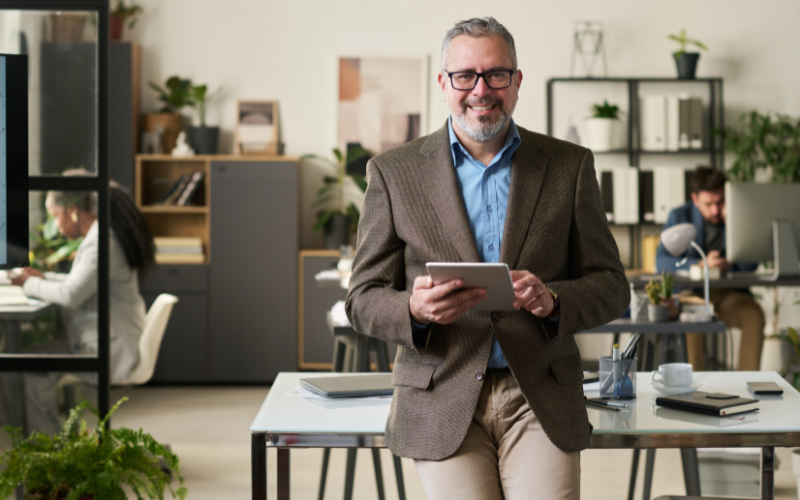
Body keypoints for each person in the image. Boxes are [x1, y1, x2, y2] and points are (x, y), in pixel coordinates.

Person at [345, 17, 629, 500]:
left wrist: (554, 300)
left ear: (517, 82)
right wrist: (413, 311)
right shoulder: (393, 173)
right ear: (444, 83)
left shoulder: (569, 166)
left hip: (538, 393)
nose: (481, 89)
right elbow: (361, 299)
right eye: (465, 76)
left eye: (496, 74)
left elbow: (611, 284)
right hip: (442, 391)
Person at [10, 174, 155, 432]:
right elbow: (81, 282)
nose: (56, 225)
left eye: (56, 216)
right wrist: (45, 278)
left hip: (107, 346)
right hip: (104, 336)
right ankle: (56, 447)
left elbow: (71, 294)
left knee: (29, 373)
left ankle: (51, 454)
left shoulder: (101, 241)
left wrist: (26, 284)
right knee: (30, 362)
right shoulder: (103, 234)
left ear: (73, 211)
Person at [656, 166, 764, 371]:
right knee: (690, 317)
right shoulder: (679, 216)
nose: (715, 210)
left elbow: (751, 265)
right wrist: (699, 265)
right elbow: (661, 262)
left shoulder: (737, 216)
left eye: (720, 202)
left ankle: (747, 383)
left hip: (729, 295)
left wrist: (733, 223)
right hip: (694, 295)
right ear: (695, 199)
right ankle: (694, 387)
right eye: (709, 204)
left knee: (754, 314)